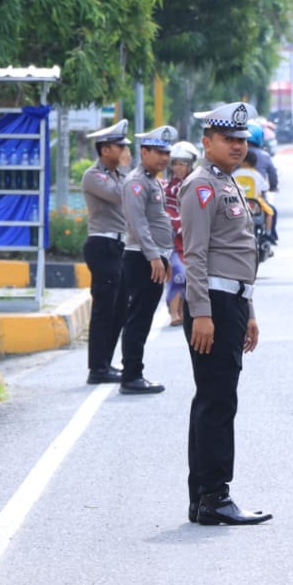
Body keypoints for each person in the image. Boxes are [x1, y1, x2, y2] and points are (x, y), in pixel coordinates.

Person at [179, 101, 271, 526]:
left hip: (230, 300)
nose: (237, 146)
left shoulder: (226, 182)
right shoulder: (202, 185)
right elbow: (195, 255)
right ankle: (215, 495)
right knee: (217, 402)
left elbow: (238, 253)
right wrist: (201, 313)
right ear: (207, 141)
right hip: (212, 303)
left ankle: (205, 498)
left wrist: (247, 308)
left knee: (213, 400)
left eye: (241, 140)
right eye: (228, 139)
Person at [118, 125, 178, 395]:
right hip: (141, 258)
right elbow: (137, 224)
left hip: (153, 257)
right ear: (144, 152)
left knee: (142, 317)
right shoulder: (136, 182)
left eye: (167, 152)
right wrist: (154, 257)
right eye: (158, 152)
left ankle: (134, 373)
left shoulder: (152, 179)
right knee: (138, 318)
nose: (164, 158)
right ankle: (131, 376)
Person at [82, 119, 133, 384]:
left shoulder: (118, 175)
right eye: (119, 146)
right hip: (102, 245)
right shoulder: (94, 175)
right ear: (104, 150)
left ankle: (106, 363)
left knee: (119, 309)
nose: (125, 151)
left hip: (118, 245)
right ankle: (97, 369)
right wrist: (126, 170)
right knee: (104, 308)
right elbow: (119, 196)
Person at [164, 140, 199, 327]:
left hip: (193, 239)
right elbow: (167, 212)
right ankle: (173, 313)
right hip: (174, 241)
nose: (178, 168)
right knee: (178, 274)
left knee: (192, 277)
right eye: (175, 163)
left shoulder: (195, 185)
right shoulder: (167, 188)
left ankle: (185, 312)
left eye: (182, 164)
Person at [246, 122, 280, 242]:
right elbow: (272, 175)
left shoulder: (235, 153)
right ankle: (270, 235)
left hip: (237, 198)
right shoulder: (265, 156)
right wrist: (273, 187)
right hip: (258, 198)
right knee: (272, 212)